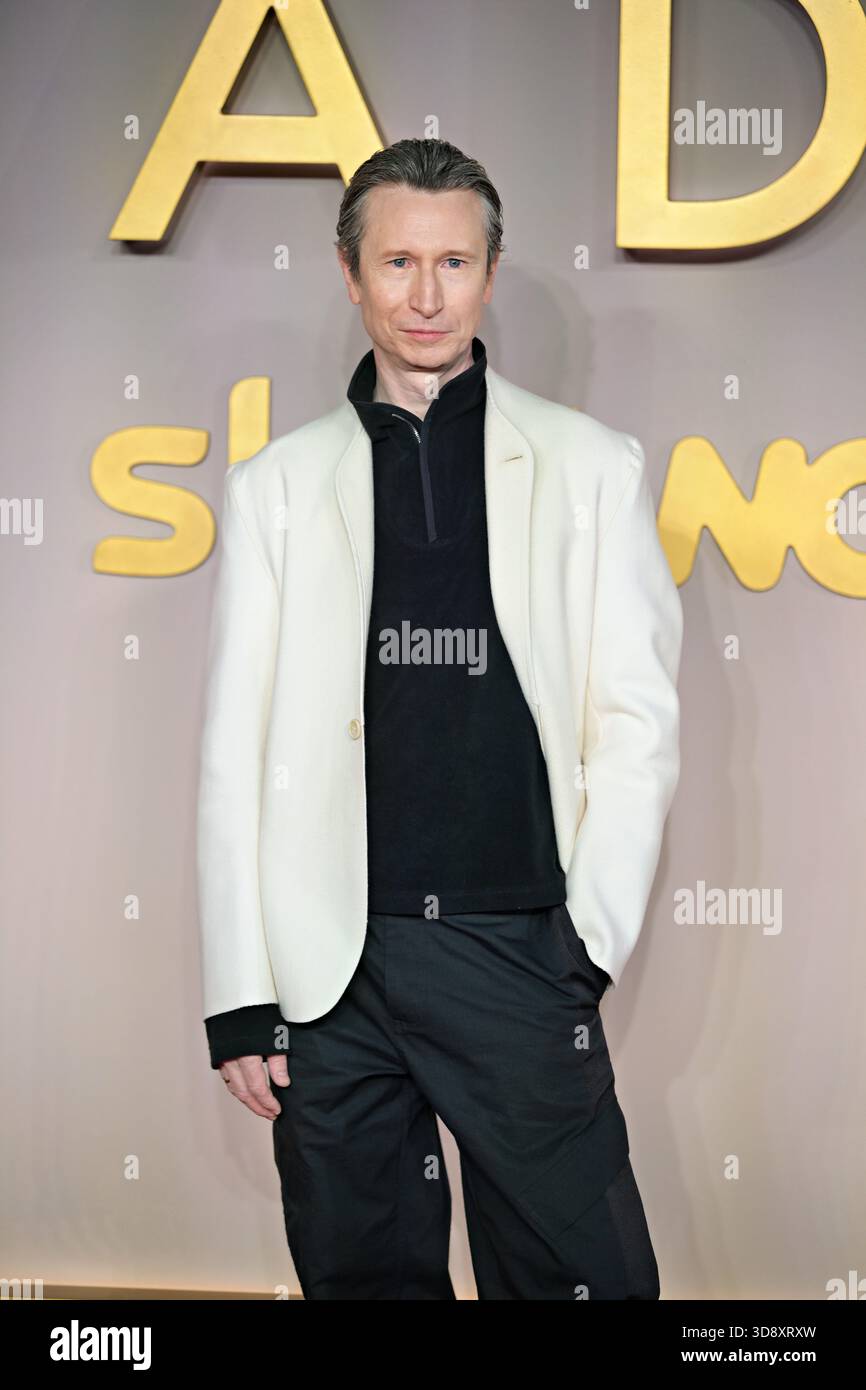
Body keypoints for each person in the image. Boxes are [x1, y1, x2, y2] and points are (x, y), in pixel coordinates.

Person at [195, 138, 683, 1300]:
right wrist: (237, 991)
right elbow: (232, 750)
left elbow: (634, 720)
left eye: (452, 261)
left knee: (585, 1279)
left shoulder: (589, 467)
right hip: (330, 965)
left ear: (491, 273)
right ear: (349, 272)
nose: (425, 295)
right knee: (360, 1279)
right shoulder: (276, 486)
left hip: (517, 945)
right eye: (398, 261)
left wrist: (585, 947)